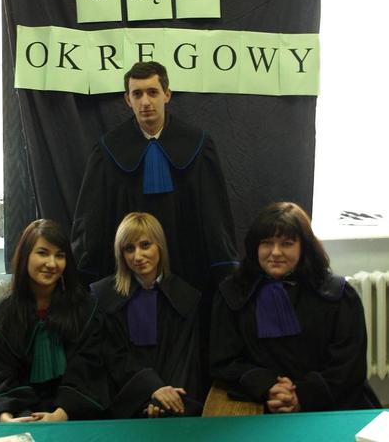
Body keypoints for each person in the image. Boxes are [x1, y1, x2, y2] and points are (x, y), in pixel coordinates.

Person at [71, 60, 238, 292]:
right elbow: (92, 221)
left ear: (167, 95)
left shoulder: (198, 145)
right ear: (127, 99)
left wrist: (224, 269)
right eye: (137, 94)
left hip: (188, 269)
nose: (145, 102)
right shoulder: (107, 150)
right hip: (128, 272)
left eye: (152, 92)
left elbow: (215, 217)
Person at [210, 201, 381, 413]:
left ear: (304, 247)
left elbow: (348, 365)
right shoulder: (232, 294)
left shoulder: (339, 296)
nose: (275, 252)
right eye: (267, 243)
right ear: (255, 247)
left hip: (332, 403)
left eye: (287, 244)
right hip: (258, 402)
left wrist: (303, 397)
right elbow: (224, 361)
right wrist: (267, 387)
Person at [0, 219, 108, 422]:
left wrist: (61, 415)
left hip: (73, 414)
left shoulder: (85, 311)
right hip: (19, 413)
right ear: (25, 256)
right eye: (43, 253)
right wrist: (6, 418)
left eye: (60, 255)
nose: (52, 264)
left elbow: (88, 371)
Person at [91, 212, 203, 418]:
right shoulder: (104, 297)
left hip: (175, 403)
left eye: (145, 245)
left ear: (159, 246)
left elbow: (185, 359)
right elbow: (112, 356)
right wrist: (150, 390)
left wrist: (167, 398)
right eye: (129, 248)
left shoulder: (186, 298)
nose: (137, 256)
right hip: (126, 403)